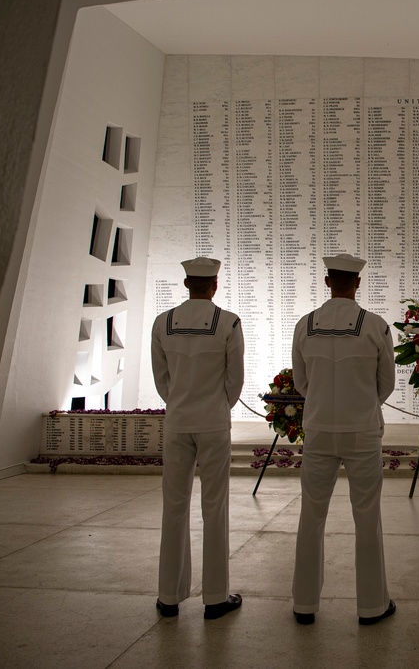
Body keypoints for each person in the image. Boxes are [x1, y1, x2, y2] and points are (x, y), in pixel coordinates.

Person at [290, 253, 396, 626]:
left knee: (311, 516)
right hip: (362, 430)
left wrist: (323, 403)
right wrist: (361, 404)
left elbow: (302, 382)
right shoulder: (375, 326)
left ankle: (304, 605)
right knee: (367, 517)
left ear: (326, 282)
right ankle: (371, 606)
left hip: (318, 430)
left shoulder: (305, 325)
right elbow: (386, 384)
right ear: (358, 283)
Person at [151, 256, 245, 620]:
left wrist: (179, 402)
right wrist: (217, 407)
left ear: (187, 284)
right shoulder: (228, 322)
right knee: (214, 506)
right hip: (213, 422)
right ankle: (216, 597)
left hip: (177, 421)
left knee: (174, 506)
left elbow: (162, 378)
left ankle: (168, 596)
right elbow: (234, 379)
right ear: (214, 285)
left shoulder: (164, 322)